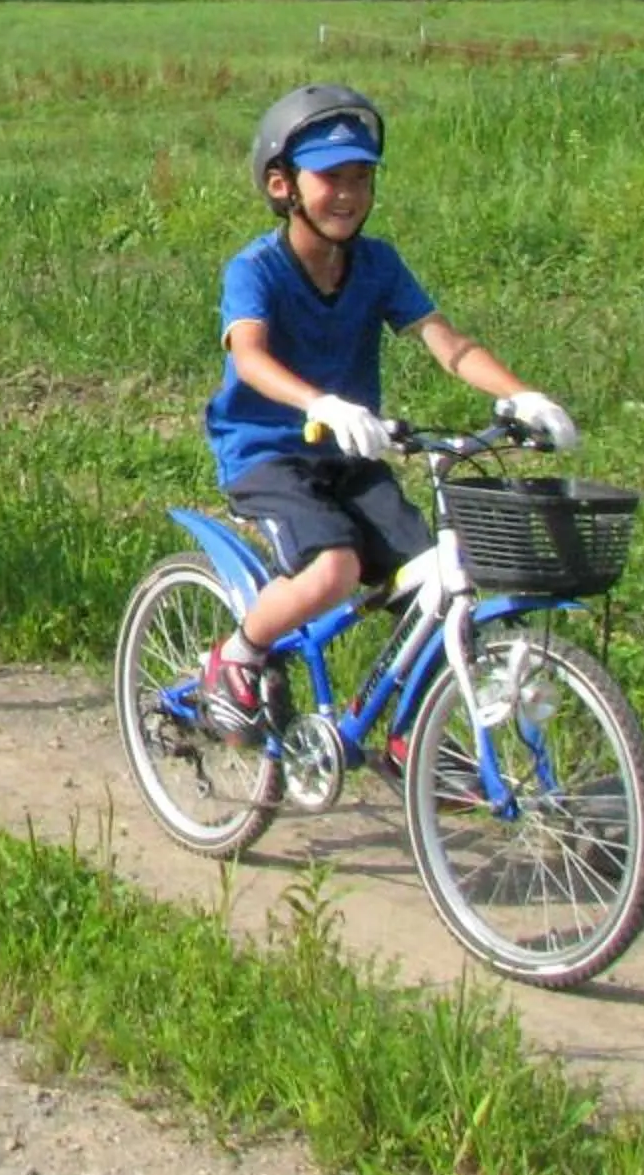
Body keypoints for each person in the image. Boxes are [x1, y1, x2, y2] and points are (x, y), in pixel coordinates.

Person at [198, 83, 578, 741]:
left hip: (351, 454)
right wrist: (318, 401)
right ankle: (238, 657)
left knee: (432, 581)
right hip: (268, 451)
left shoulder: (377, 264)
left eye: (362, 177)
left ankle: (412, 739)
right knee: (335, 568)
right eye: (330, 177)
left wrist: (520, 394)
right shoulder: (255, 268)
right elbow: (251, 357)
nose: (348, 193)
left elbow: (446, 341)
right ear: (283, 184)